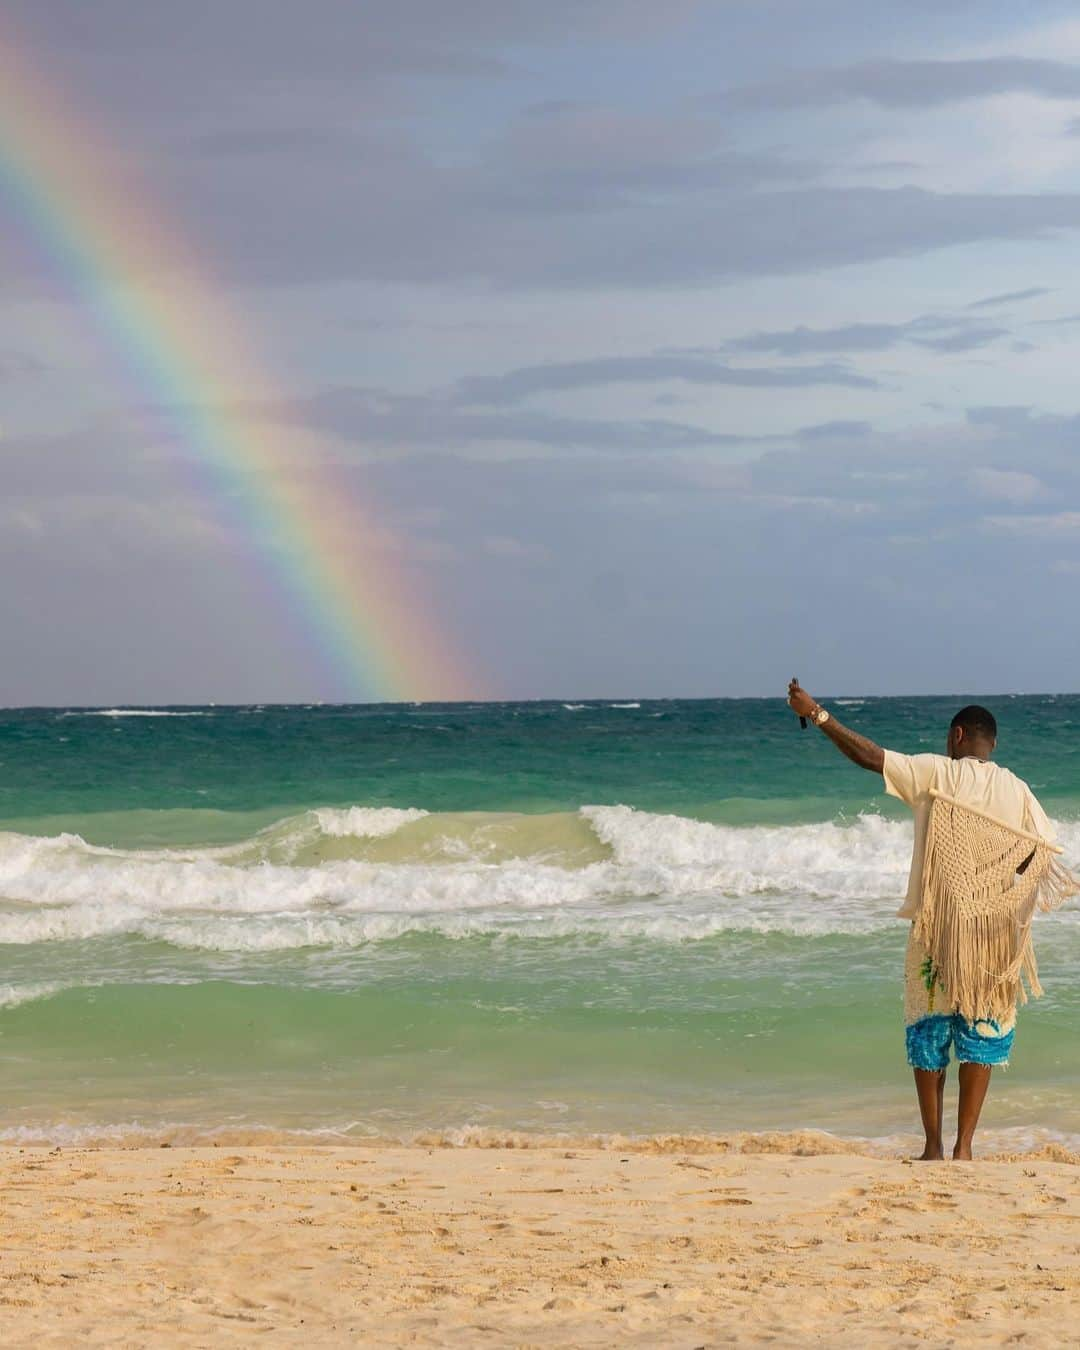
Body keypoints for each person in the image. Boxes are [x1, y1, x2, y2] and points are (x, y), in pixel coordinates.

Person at [786, 678, 1062, 1162]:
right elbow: (1041, 847)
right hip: (992, 932)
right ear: (990, 745)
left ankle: (933, 1146)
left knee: (929, 1028)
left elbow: (871, 756)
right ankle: (965, 1148)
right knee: (983, 1029)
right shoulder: (1016, 788)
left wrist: (819, 713)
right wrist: (996, 888)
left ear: (956, 737)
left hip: (937, 925)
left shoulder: (938, 773)